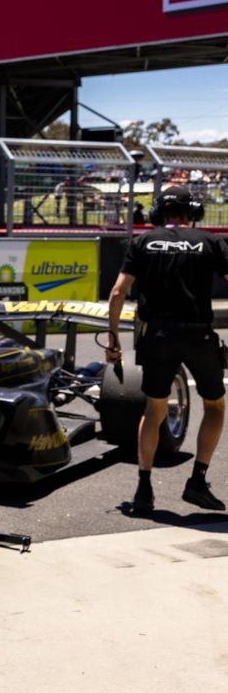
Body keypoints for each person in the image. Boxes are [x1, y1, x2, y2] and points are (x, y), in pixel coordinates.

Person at [107, 186, 228, 514]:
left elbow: (118, 292)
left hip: (157, 336)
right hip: (198, 336)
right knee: (215, 406)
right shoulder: (211, 242)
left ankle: (144, 490)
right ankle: (197, 481)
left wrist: (114, 337)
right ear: (195, 211)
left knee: (154, 409)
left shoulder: (143, 242)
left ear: (159, 212)